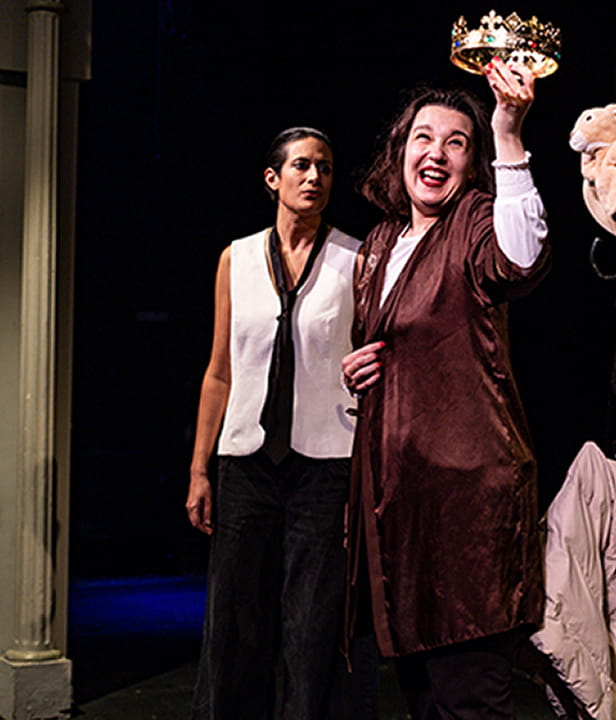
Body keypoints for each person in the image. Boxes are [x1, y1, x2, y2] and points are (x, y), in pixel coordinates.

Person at [342, 59, 549, 719]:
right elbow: (387, 342)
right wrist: (359, 368)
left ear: (472, 163)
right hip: (402, 510)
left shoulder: (476, 222)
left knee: (470, 700)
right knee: (423, 700)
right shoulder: (378, 242)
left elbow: (522, 255)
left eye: (456, 142)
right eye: (423, 138)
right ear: (398, 151)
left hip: (468, 508)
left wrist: (509, 132)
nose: (436, 153)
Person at [186, 126, 375, 720]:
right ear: (273, 178)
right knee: (234, 620)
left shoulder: (355, 257)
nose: (314, 177)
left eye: (324, 166)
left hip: (325, 464)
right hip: (246, 462)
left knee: (311, 625)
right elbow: (220, 371)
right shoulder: (236, 258)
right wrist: (200, 468)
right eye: (301, 165)